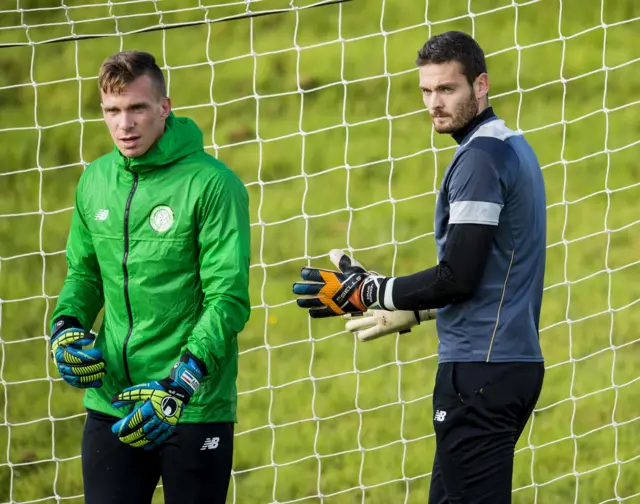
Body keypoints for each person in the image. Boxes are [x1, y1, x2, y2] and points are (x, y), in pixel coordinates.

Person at [292, 31, 546, 503]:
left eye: (447, 89)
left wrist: (370, 292)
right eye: (427, 91)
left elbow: (459, 276)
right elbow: (493, 273)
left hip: (479, 372)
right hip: (500, 365)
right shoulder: (511, 147)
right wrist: (413, 308)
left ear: (481, 85)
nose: (434, 103)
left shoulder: (480, 160)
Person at [48, 50, 251, 504]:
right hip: (112, 401)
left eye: (137, 108)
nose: (125, 124)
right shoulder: (94, 180)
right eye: (113, 111)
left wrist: (182, 382)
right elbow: (83, 275)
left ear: (165, 107)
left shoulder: (214, 185)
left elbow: (228, 299)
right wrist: (64, 328)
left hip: (192, 404)